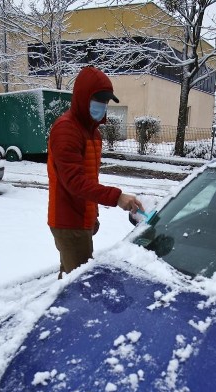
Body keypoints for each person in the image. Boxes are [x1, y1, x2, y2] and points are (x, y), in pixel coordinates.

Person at [47, 65, 144, 277]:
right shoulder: (66, 129)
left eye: (106, 101)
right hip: (69, 221)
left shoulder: (92, 133)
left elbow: (90, 176)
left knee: (70, 278)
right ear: (82, 97)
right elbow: (74, 181)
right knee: (79, 284)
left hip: (82, 217)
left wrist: (93, 214)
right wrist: (116, 197)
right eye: (98, 99)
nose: (102, 105)